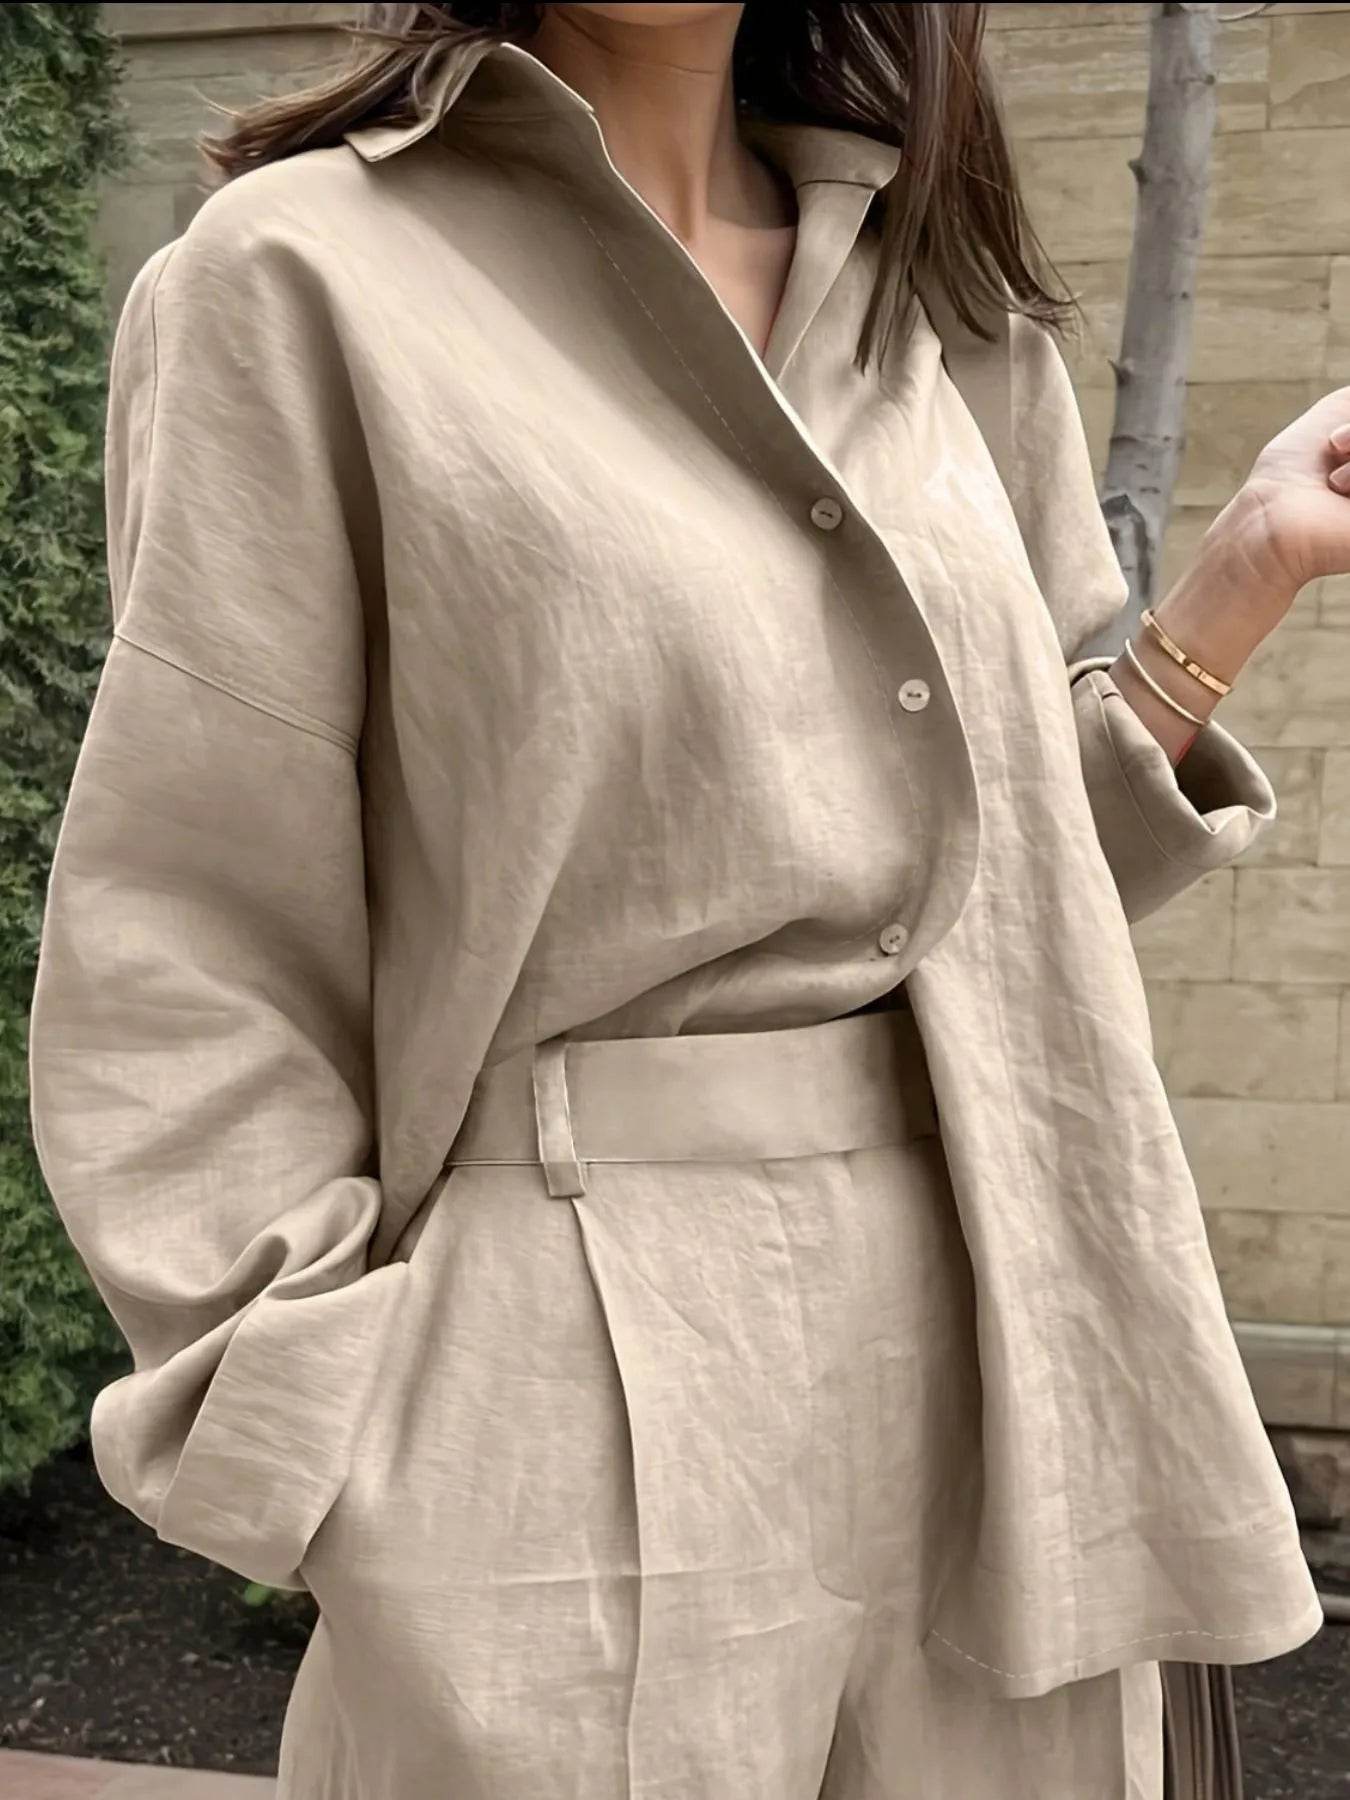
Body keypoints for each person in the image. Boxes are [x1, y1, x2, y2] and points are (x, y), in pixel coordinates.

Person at [28, 4, 1346, 1796]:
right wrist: (317, 1428)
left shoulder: (943, 316)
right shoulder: (299, 277)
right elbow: (190, 930)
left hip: (1014, 1336)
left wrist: (1242, 573)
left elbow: (1009, 903)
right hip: (555, 1369)